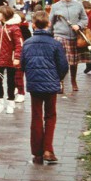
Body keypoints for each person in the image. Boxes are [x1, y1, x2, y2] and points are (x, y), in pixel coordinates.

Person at [21, 11, 69, 164]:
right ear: (48, 24)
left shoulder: (27, 43)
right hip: (51, 84)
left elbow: (23, 64)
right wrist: (57, 79)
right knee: (50, 116)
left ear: (33, 25)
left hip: (34, 84)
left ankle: (37, 152)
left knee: (36, 116)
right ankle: (48, 149)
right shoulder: (55, 43)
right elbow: (63, 65)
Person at [49, 0, 87, 93]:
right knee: (60, 60)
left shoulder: (78, 5)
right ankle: (60, 82)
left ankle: (73, 81)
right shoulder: (55, 6)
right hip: (60, 35)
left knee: (73, 62)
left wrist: (79, 25)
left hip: (74, 36)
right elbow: (50, 22)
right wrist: (48, 35)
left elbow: (84, 19)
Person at [0, 6, 24, 115]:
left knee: (11, 81)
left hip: (11, 60)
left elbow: (19, 44)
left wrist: (17, 57)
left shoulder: (14, 28)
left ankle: (10, 102)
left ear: (4, 14)